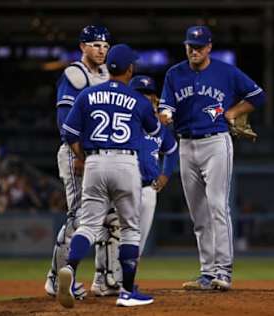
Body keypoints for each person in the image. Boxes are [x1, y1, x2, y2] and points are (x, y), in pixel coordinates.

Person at [158, 25, 265, 291]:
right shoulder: (174, 74)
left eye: (199, 46)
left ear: (209, 47)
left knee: (218, 206)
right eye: (190, 46)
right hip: (185, 144)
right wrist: (165, 116)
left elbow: (257, 95)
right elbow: (166, 106)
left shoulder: (226, 72)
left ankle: (224, 271)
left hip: (216, 143)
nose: (194, 50)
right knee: (198, 213)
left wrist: (233, 112)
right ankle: (207, 272)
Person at [56, 44, 160, 308]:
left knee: (88, 225)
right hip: (125, 162)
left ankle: (69, 267)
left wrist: (81, 157)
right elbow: (154, 128)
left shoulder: (88, 94)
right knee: (130, 230)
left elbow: (69, 132)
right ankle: (126, 292)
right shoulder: (137, 99)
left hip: (94, 162)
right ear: (130, 69)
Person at [45, 25, 122, 299]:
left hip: (101, 154)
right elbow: (64, 122)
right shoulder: (75, 74)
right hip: (76, 152)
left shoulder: (105, 74)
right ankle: (56, 279)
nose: (101, 49)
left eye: (105, 45)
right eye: (95, 44)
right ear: (82, 47)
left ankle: (105, 280)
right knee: (79, 217)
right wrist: (80, 156)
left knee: (112, 218)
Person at [128, 75, 179, 256]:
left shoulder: (160, 127)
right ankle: (104, 277)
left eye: (148, 93)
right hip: (123, 186)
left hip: (149, 188)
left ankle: (127, 279)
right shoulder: (124, 119)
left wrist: (165, 174)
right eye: (140, 93)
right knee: (116, 235)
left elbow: (172, 149)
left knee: (140, 239)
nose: (145, 97)